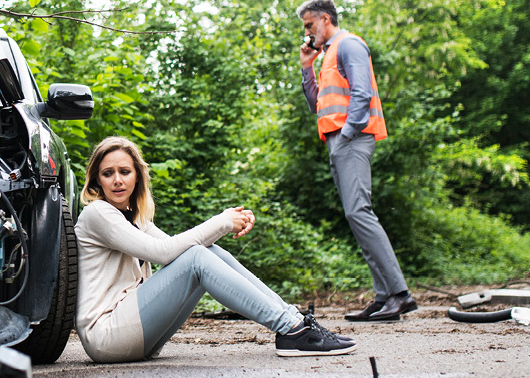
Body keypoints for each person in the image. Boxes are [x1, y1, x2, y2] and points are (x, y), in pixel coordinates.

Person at [73, 136, 355, 363]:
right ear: (97, 180)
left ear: (137, 177)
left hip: (134, 331)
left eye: (125, 171)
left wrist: (229, 222)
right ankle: (291, 329)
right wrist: (221, 222)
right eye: (108, 174)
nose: (117, 180)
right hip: (107, 335)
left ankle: (295, 322)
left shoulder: (133, 216)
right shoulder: (98, 213)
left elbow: (177, 253)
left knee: (209, 254)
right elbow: (163, 254)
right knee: (197, 257)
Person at [296, 0, 416, 322]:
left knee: (360, 212)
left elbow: (362, 93)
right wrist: (307, 67)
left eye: (309, 25)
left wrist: (346, 134)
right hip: (338, 141)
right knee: (355, 215)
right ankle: (384, 296)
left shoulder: (349, 45)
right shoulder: (327, 54)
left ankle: (400, 295)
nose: (306, 33)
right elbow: (315, 104)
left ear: (324, 19)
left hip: (351, 139)